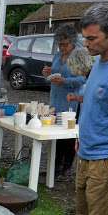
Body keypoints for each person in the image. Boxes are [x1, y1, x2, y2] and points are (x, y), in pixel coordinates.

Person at [65, 3, 108, 215]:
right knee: (84, 214)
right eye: (85, 38)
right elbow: (93, 104)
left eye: (92, 38)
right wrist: (80, 135)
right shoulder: (97, 65)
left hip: (104, 160)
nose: (86, 44)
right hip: (85, 152)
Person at [41, 25, 88, 177]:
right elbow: (55, 73)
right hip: (56, 99)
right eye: (59, 44)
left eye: (65, 44)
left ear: (72, 41)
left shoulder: (78, 55)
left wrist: (65, 81)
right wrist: (48, 72)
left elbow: (82, 79)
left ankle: (66, 168)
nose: (62, 47)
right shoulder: (57, 55)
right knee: (54, 135)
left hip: (71, 102)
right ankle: (53, 168)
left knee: (67, 137)